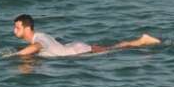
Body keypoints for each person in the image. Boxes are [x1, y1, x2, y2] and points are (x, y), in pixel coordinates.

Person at [10, 14, 160, 57]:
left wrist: (15, 55)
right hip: (73, 47)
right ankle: (141, 41)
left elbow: (36, 47)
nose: (13, 31)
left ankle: (142, 41)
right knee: (111, 48)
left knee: (114, 49)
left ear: (27, 27)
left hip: (76, 51)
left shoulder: (38, 39)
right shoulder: (40, 35)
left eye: (17, 27)